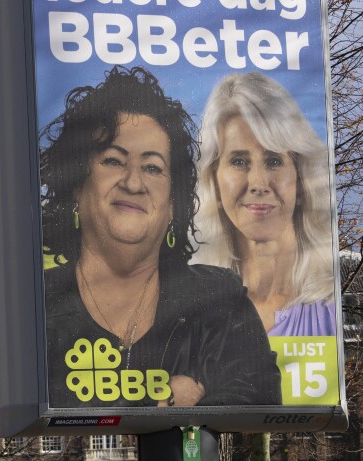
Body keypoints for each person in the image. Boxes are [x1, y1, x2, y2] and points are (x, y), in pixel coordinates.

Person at [40, 66, 280, 408]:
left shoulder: (221, 301)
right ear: (76, 185)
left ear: (172, 205)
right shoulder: (38, 306)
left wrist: (201, 406)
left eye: (152, 167)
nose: (134, 183)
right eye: (113, 160)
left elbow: (261, 397)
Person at [193, 72, 336, 338]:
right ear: (213, 179)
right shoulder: (191, 314)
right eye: (238, 161)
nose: (259, 183)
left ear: (301, 176)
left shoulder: (333, 304)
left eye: (273, 161)